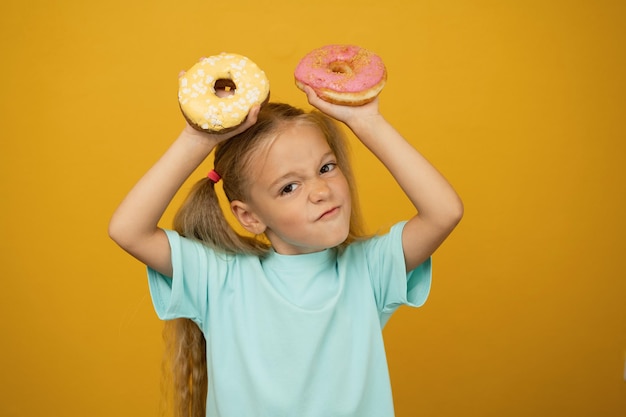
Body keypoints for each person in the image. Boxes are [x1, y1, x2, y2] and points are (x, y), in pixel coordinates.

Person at [109, 82, 463, 417]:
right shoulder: (220, 280)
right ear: (249, 216)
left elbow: (444, 212)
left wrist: (367, 121)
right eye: (289, 187)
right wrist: (197, 136)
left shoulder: (368, 270)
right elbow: (128, 230)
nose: (320, 191)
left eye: (326, 168)